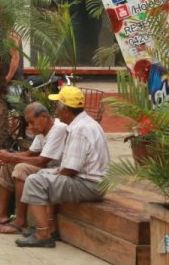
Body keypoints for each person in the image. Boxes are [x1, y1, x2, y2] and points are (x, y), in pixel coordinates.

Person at [16, 86, 111, 248]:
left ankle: (42, 234)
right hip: (91, 182)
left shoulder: (79, 130)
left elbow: (70, 169)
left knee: (34, 181)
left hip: (89, 185)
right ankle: (49, 228)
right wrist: (51, 172)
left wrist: (52, 173)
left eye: (57, 107)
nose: (56, 112)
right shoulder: (85, 123)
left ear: (66, 110)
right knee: (45, 176)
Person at [0, 102, 69, 234]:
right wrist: (7, 156)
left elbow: (41, 161)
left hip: (57, 170)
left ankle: (21, 221)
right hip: (45, 168)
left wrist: (12, 157)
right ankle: (0, 213)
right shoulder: (41, 130)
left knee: (21, 168)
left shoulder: (59, 129)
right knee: (8, 165)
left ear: (44, 117)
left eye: (32, 122)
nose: (30, 127)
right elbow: (29, 154)